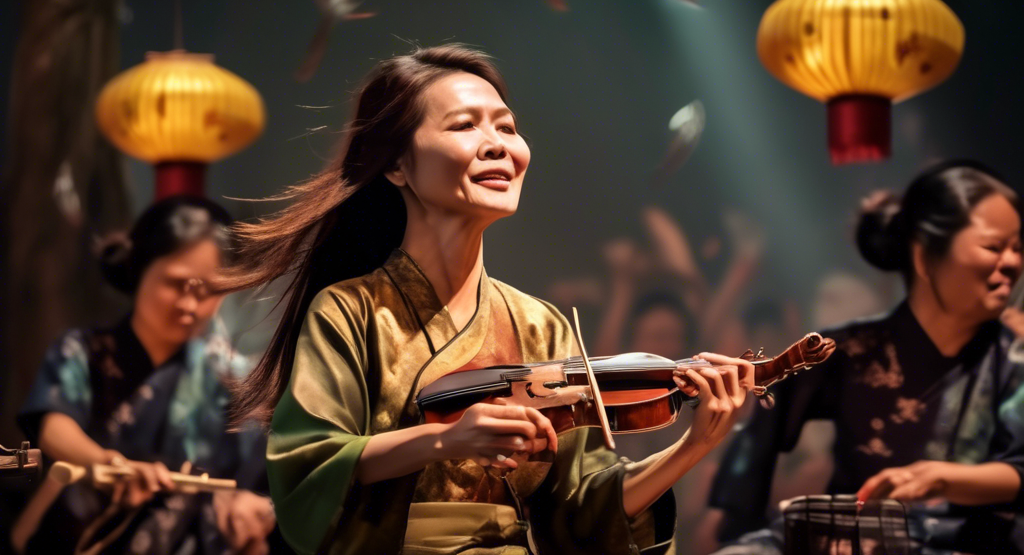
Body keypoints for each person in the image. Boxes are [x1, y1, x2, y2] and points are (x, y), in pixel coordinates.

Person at [222, 44, 756, 555]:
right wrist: (445, 439)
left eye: (506, 126)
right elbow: (309, 463)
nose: (499, 143)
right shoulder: (351, 311)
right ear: (397, 165)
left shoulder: (541, 324)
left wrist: (694, 446)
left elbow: (580, 514)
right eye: (464, 125)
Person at [708, 161, 1024, 554]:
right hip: (850, 537)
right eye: (994, 247)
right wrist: (740, 520)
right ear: (925, 257)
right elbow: (765, 420)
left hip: (967, 540)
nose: (1011, 263)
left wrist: (941, 478)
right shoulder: (850, 349)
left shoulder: (1014, 360)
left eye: (1017, 248)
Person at [13, 196, 276, 555]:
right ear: (139, 268)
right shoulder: (84, 351)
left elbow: (265, 482)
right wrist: (105, 465)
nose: (189, 305)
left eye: (209, 289)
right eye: (175, 283)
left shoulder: (233, 378)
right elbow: (54, 427)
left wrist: (257, 509)